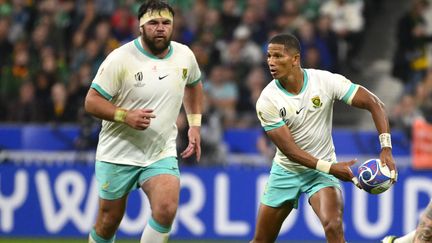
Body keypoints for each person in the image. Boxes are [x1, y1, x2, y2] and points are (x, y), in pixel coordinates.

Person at [250, 33, 397, 243]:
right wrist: (331, 168)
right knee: (261, 241)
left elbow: (374, 104)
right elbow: (290, 151)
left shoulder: (325, 81)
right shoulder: (267, 100)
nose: (271, 62)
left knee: (333, 224)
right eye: (269, 56)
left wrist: (386, 148)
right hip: (286, 171)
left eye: (278, 56)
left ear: (295, 59)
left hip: (320, 174)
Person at [84, 1, 203, 242]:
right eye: (153, 23)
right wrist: (124, 116)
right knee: (108, 222)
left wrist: (194, 124)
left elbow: (194, 84)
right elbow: (91, 101)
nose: (160, 28)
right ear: (141, 27)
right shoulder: (120, 58)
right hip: (118, 153)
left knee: (167, 208)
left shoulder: (184, 55)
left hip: (160, 151)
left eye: (166, 23)